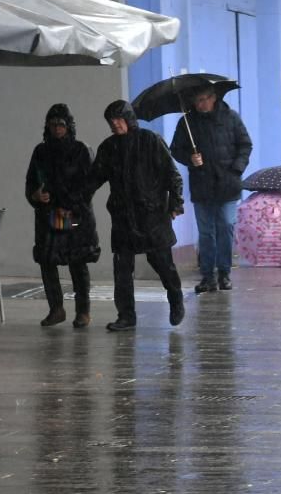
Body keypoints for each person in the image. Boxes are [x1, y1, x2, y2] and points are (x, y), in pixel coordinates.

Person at [89, 100, 185, 332]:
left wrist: (175, 202)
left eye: (118, 120)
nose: (115, 125)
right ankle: (126, 315)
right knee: (122, 267)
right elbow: (93, 179)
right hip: (123, 216)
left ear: (129, 119)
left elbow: (172, 175)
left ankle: (175, 299)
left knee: (162, 263)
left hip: (152, 215)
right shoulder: (109, 148)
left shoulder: (151, 141)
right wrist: (74, 198)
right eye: (111, 121)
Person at [170, 86, 252, 293]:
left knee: (225, 226)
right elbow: (175, 149)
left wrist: (236, 169)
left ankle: (224, 272)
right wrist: (190, 158)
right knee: (206, 232)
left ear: (214, 98)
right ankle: (208, 275)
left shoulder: (230, 118)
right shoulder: (187, 122)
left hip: (228, 182)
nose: (201, 104)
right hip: (202, 184)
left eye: (204, 99)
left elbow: (245, 145)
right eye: (197, 101)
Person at [25, 104, 101, 328]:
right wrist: (36, 195)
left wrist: (72, 204)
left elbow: (89, 184)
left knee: (76, 260)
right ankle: (56, 309)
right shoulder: (41, 151)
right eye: (53, 124)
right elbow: (31, 181)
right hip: (48, 213)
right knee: (47, 261)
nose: (57, 128)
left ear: (69, 126)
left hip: (72, 212)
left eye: (61, 124)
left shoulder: (80, 150)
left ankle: (83, 310)